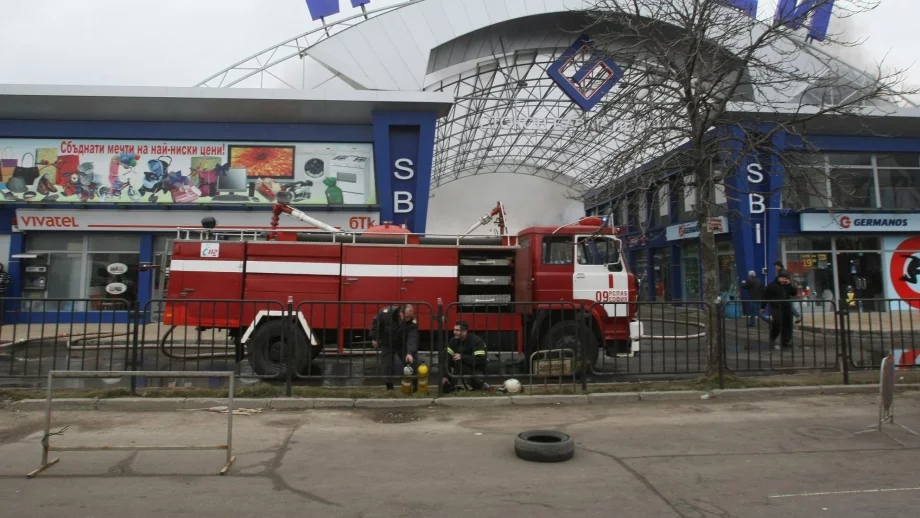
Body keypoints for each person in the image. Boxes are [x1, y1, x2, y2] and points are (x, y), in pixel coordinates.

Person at [370, 304, 419, 391]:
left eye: (409, 317)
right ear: (400, 312)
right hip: (387, 343)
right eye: (406, 317)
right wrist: (374, 338)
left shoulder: (412, 321)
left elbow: (412, 338)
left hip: (402, 344)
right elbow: (375, 323)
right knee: (386, 366)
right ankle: (389, 388)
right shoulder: (386, 313)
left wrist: (409, 353)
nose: (407, 319)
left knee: (412, 363)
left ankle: (415, 385)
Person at [442, 320, 491, 393]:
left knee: (475, 382)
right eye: (454, 330)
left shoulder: (476, 341)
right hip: (461, 366)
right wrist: (445, 376)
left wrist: (462, 357)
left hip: (476, 368)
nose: (454, 332)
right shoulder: (453, 341)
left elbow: (481, 360)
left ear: (465, 332)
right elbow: (447, 358)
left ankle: (481, 384)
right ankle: (451, 386)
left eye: (457, 330)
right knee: (447, 357)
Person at [761, 271, 797, 349]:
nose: (784, 280)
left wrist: (789, 284)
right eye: (783, 278)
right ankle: (772, 337)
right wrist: (762, 307)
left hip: (786, 307)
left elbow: (794, 293)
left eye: (786, 278)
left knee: (788, 324)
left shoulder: (787, 285)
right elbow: (765, 296)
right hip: (775, 307)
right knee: (777, 322)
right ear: (779, 278)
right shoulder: (772, 286)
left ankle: (785, 341)